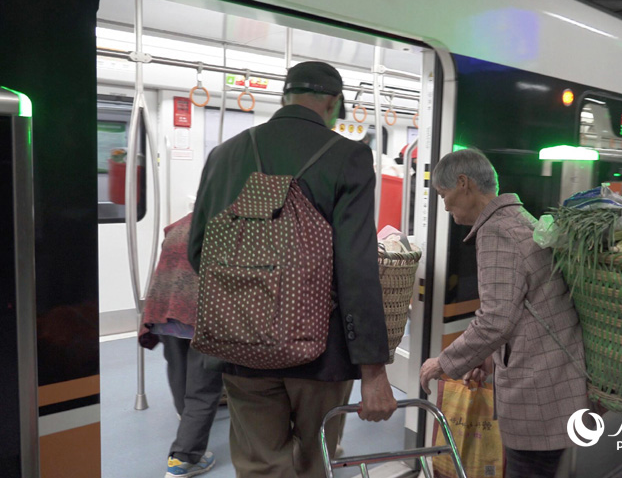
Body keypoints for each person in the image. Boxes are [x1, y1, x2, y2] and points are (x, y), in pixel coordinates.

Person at [188, 61, 397, 478]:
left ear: (285, 95)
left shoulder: (223, 155)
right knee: (315, 460)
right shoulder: (349, 156)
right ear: (333, 103)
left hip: (240, 347)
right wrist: (373, 370)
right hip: (320, 356)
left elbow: (199, 252)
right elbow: (356, 268)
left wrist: (251, 301)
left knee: (260, 464)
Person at [419, 149, 589, 478]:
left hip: (536, 391)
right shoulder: (519, 218)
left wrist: (444, 362)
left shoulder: (496, 232)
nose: (445, 206)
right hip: (554, 381)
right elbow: (525, 307)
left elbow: (496, 320)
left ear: (463, 183)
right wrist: (486, 358)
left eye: (445, 195)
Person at [138, 212, 223, 478]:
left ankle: (186, 418)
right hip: (198, 312)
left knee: (179, 370)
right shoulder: (229, 225)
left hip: (164, 306)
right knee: (203, 387)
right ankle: (184, 458)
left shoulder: (182, 222)